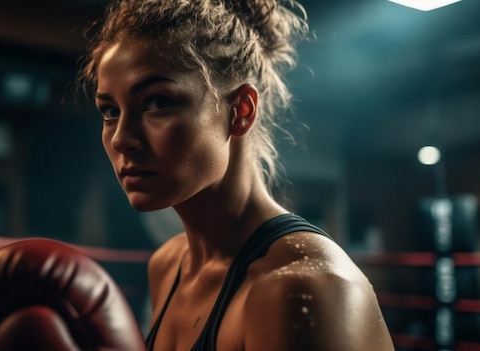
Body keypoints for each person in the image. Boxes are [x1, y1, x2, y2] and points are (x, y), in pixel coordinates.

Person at [77, 0, 395, 350]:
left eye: (158, 102)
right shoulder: (167, 266)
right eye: (110, 111)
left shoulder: (304, 286)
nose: (122, 138)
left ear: (240, 111)